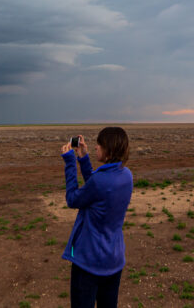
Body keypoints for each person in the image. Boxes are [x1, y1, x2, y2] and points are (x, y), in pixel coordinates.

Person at [60, 127, 133, 308]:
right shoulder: (126, 175)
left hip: (89, 262)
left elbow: (72, 199)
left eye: (99, 145)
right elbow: (96, 187)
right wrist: (83, 158)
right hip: (113, 260)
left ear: (109, 150)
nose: (95, 148)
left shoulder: (101, 182)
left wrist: (70, 162)